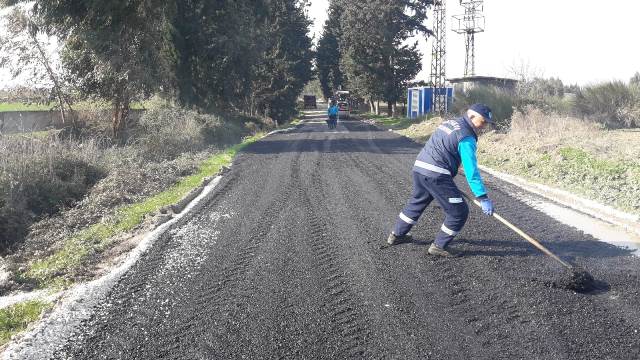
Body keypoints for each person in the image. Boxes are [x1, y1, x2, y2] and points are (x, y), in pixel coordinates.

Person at [386, 103, 495, 257]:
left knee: (417, 202)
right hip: (436, 174)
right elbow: (471, 170)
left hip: (420, 168)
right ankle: (439, 246)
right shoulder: (467, 137)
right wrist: (482, 196)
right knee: (459, 212)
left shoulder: (450, 123)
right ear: (471, 116)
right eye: (483, 121)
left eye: (487, 124)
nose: (484, 127)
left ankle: (396, 235)